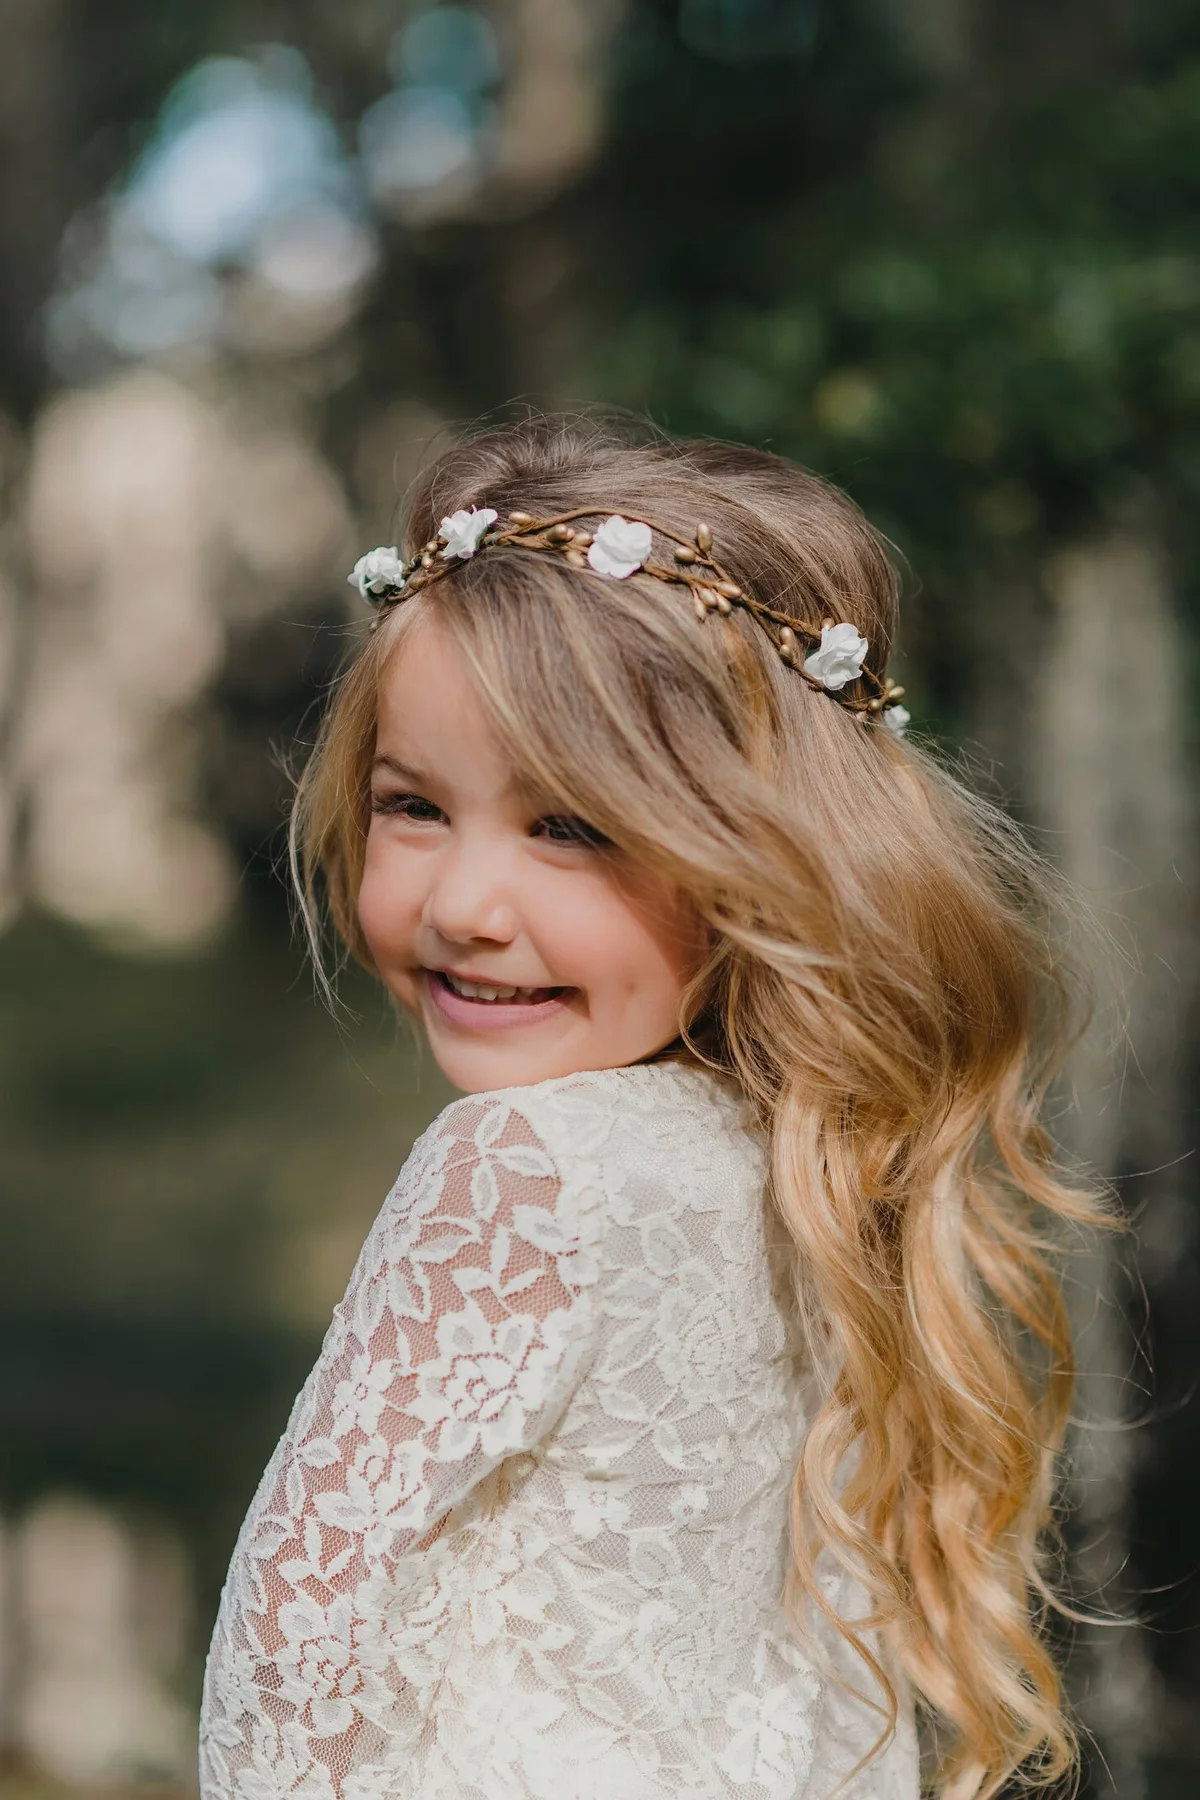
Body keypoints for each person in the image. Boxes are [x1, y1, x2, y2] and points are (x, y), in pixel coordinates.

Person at [198, 417, 1102, 1800]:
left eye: (572, 826)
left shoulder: (520, 1165)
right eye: (413, 806)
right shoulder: (822, 1167)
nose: (461, 906)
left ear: (763, 850)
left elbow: (294, 1646)